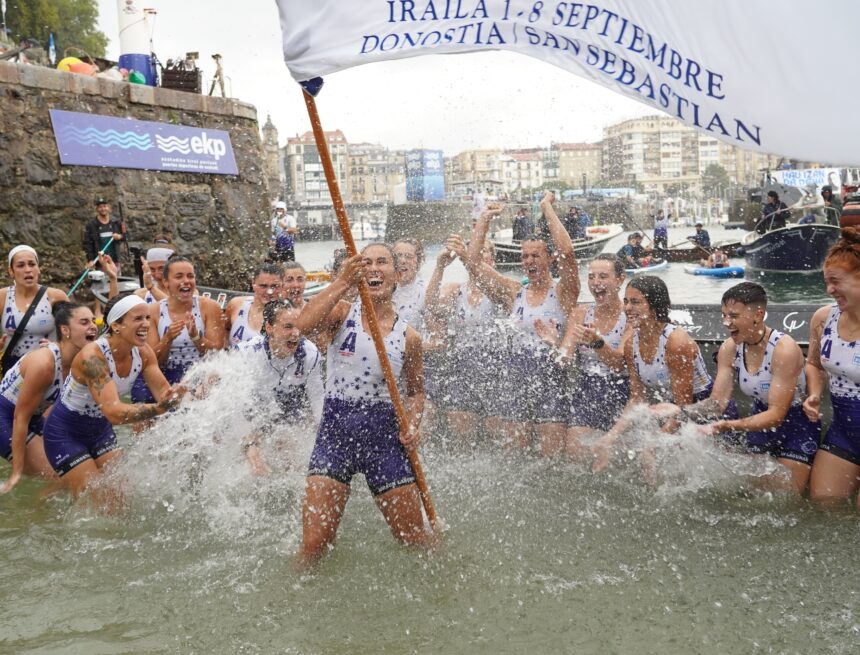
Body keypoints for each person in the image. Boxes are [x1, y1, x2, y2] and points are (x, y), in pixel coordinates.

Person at [294, 244, 431, 567]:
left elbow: (417, 394)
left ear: (397, 275)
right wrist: (343, 281)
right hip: (335, 436)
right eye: (365, 263)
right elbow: (303, 325)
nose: (373, 268)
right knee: (314, 546)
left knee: (416, 544)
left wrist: (413, 424)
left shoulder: (408, 336)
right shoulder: (342, 313)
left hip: (384, 442)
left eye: (382, 262)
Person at [651, 283, 818, 493]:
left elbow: (777, 415)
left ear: (758, 314)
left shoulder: (784, 349)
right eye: (723, 315)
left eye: (733, 316)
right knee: (753, 496)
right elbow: (717, 403)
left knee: (787, 499)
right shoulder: (730, 348)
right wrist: (681, 412)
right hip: (759, 422)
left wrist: (726, 425)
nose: (726, 323)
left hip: (797, 424)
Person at [463, 192, 580, 456]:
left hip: (552, 381)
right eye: (525, 256)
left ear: (549, 259)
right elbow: (472, 264)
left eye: (536, 256)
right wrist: (484, 219)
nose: (529, 262)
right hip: (516, 380)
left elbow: (569, 253)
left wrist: (546, 207)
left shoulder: (563, 294)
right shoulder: (513, 292)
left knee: (549, 461)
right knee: (517, 460)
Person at [42, 294, 186, 499]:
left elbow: (163, 393)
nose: (146, 324)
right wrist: (159, 408)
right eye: (138, 319)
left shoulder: (143, 352)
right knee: (93, 498)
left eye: (147, 318)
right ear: (116, 325)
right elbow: (114, 413)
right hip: (66, 433)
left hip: (100, 431)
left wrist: (180, 394)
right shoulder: (92, 357)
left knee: (120, 499)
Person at [593, 276, 721, 472]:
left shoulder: (676, 343)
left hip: (704, 409)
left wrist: (654, 444)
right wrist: (609, 438)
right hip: (672, 409)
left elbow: (684, 409)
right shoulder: (631, 345)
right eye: (626, 301)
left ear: (654, 308)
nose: (627, 308)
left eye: (635, 302)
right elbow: (637, 399)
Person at [0, 302, 98, 493]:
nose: (93, 326)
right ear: (65, 330)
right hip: (6, 418)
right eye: (84, 322)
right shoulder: (45, 363)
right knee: (58, 475)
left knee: (71, 466)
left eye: (93, 321)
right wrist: (16, 473)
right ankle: (31, 518)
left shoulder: (82, 362)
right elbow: (20, 418)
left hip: (33, 418)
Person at [424, 234, 507, 446]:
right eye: (473, 253)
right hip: (463, 368)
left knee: (495, 432)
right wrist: (440, 267)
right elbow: (432, 305)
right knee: (460, 431)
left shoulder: (504, 289)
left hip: (496, 369)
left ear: (493, 260)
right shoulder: (456, 290)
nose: (477, 255)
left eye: (483, 251)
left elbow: (498, 294)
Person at [234, 299, 324, 476]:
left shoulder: (310, 354)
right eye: (288, 327)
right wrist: (250, 448)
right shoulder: (247, 354)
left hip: (289, 408)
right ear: (269, 328)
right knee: (254, 464)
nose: (296, 333)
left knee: (293, 463)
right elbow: (235, 407)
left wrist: (326, 441)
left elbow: (318, 399)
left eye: (299, 326)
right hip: (252, 410)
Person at [804, 228, 860, 506]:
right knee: (824, 503)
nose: (829, 290)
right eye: (826, 282)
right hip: (844, 430)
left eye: (836, 281)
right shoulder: (824, 318)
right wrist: (814, 393)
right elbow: (813, 363)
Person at [558, 254, 630, 461]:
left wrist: (597, 343)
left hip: (622, 389)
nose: (596, 283)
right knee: (573, 451)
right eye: (591, 277)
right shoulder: (581, 313)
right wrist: (553, 344)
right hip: (588, 387)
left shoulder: (630, 315)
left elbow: (618, 363)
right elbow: (564, 356)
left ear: (620, 279)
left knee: (617, 459)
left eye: (603, 277)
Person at [135, 256, 224, 403]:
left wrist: (196, 337)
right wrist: (167, 338)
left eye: (190, 276)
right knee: (141, 391)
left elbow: (217, 353)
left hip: (200, 370)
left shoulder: (210, 307)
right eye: (179, 276)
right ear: (166, 282)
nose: (186, 281)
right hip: (165, 371)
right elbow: (151, 360)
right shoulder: (153, 311)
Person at [1, 245, 70, 374]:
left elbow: (74, 333)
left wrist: (57, 346)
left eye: (32, 264)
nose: (28, 270)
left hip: (47, 365)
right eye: (21, 266)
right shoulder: (3, 297)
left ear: (38, 269)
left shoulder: (56, 296)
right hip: (12, 369)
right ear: (11, 271)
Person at [224, 263, 284, 347]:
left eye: (274, 286)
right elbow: (224, 330)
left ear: (282, 286)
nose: (269, 291)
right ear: (253, 283)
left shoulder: (286, 316)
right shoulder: (236, 304)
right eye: (263, 286)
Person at [392, 238, 427, 332]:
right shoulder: (382, 288)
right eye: (398, 256)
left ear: (418, 261)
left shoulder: (426, 292)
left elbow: (437, 341)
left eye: (408, 256)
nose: (402, 261)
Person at [83, 198, 123, 271]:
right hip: (100, 263)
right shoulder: (91, 225)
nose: (103, 209)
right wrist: (90, 259)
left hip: (115, 262)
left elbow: (125, 236)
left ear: (108, 208)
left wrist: (119, 236)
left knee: (116, 281)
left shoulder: (116, 222)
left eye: (104, 206)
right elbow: (87, 244)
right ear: (97, 209)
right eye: (100, 207)